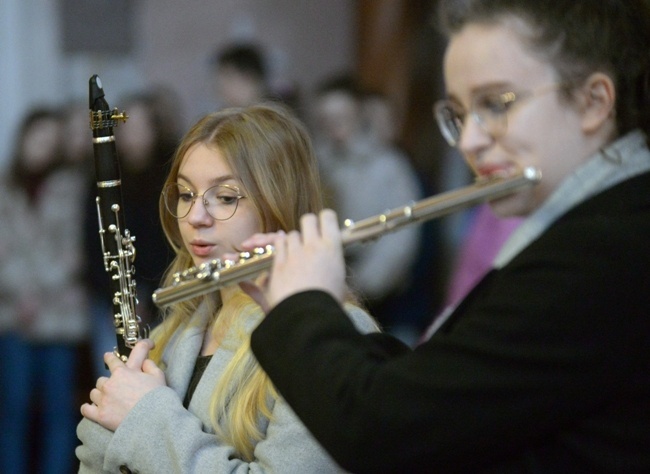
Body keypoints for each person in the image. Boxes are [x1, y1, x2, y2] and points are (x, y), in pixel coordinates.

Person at [240, 1, 650, 472]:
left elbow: (388, 432)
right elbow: (440, 395)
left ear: (593, 101)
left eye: (495, 104)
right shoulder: (598, 228)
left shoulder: (605, 252)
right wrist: (314, 303)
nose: (470, 140)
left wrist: (302, 309)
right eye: (459, 113)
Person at [75, 104, 378, 473]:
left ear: (277, 201)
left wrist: (144, 417)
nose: (195, 217)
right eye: (186, 195)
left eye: (226, 197)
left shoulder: (337, 336)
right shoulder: (176, 330)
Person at [0, 107, 89, 474]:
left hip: (59, 315)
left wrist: (40, 289)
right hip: (13, 312)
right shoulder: (5, 187)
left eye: (52, 143)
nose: (43, 149)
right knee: (13, 410)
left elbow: (73, 252)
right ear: (23, 139)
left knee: (59, 411)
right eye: (38, 139)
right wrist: (24, 292)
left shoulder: (71, 187)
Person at [312, 74, 424, 343]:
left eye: (342, 118)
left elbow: (400, 241)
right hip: (330, 288)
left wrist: (359, 286)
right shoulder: (317, 163)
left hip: (381, 297)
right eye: (327, 120)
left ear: (359, 115)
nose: (335, 128)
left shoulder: (389, 166)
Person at [82, 91, 176, 377]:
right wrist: (117, 295)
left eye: (141, 127)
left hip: (161, 294)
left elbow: (171, 241)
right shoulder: (97, 174)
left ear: (155, 130)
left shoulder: (169, 174)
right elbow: (93, 240)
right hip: (110, 295)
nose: (133, 136)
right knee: (115, 373)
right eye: (127, 128)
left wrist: (148, 294)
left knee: (163, 370)